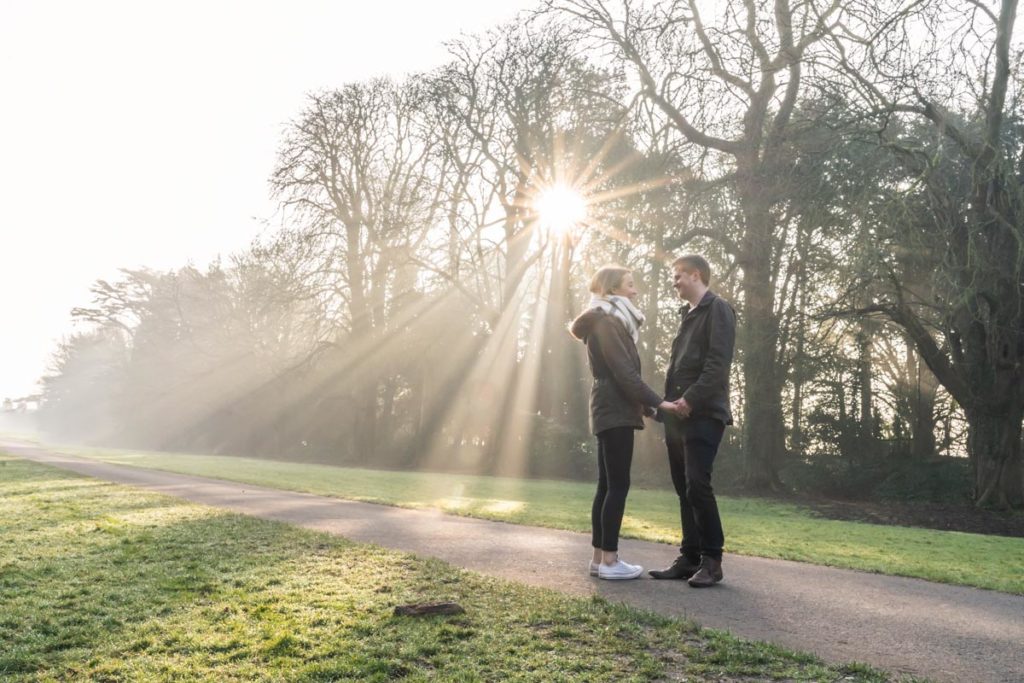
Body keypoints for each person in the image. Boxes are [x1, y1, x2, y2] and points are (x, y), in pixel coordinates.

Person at [570, 265, 682, 580]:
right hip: (614, 410)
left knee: (607, 485)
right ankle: (609, 561)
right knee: (617, 485)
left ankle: (598, 559)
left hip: (611, 407)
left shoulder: (606, 321)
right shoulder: (608, 323)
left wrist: (649, 409)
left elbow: (621, 377)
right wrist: (658, 402)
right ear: (612, 290)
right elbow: (624, 374)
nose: (635, 290)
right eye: (630, 285)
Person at [649, 255, 736, 588]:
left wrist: (691, 399)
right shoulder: (687, 316)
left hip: (704, 413)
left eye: (678, 276)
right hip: (676, 416)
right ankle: (689, 557)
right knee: (684, 489)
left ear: (696, 274)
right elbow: (677, 371)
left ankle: (712, 561)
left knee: (698, 484)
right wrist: (663, 408)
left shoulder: (719, 310)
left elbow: (717, 365)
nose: (674, 282)